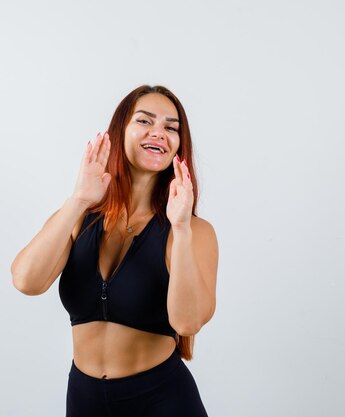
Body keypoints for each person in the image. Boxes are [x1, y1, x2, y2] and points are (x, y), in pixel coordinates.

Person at [11, 85, 218, 416]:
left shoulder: (193, 231)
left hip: (161, 402)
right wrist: (78, 199)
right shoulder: (82, 216)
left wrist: (180, 228)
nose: (159, 134)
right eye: (145, 121)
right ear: (120, 130)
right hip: (84, 399)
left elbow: (188, 321)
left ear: (180, 145)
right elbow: (26, 280)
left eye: (171, 127)